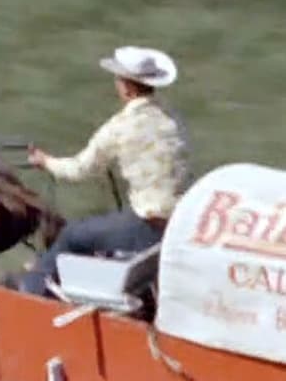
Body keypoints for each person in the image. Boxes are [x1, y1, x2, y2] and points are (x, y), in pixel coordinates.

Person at [12, 45, 190, 296]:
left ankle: (30, 289)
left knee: (72, 234)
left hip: (147, 227)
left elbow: (80, 169)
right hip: (180, 220)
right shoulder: (172, 117)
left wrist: (45, 161)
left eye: (118, 79)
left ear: (126, 87)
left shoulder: (119, 127)